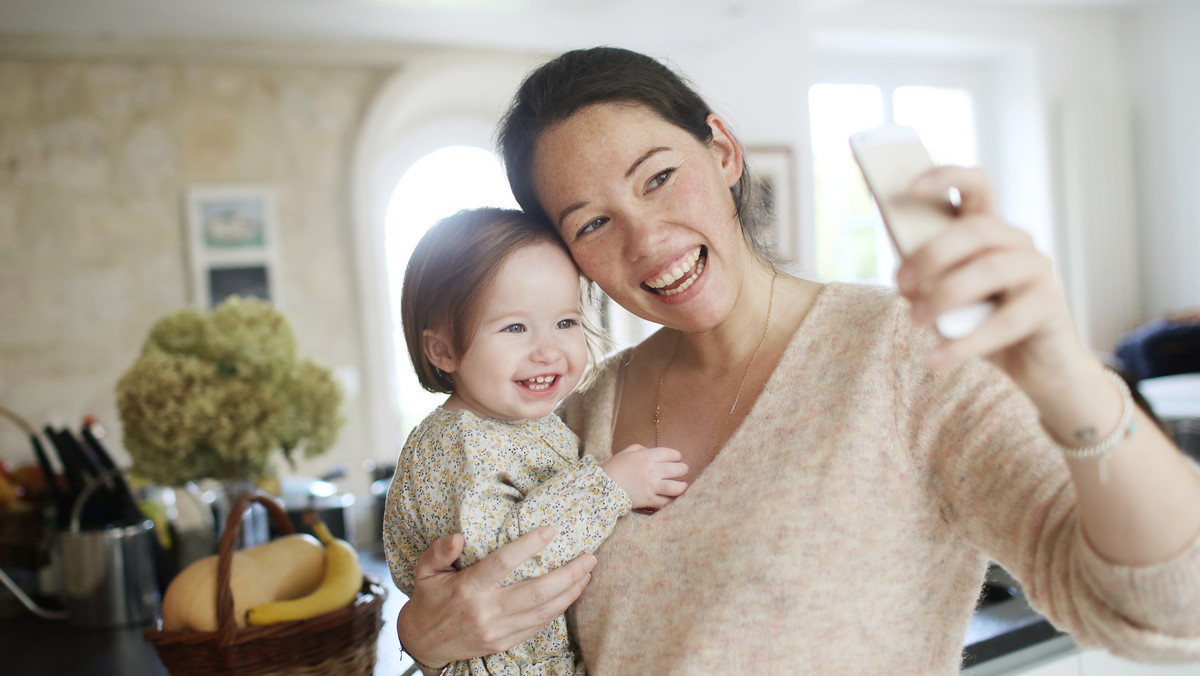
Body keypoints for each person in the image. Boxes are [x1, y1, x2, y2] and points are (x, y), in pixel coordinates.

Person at [395, 48, 1200, 674]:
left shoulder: (903, 354)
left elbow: (1171, 613)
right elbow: (501, 632)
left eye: (661, 177)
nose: (647, 241)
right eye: (593, 224)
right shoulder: (574, 415)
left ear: (724, 152)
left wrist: (1065, 377)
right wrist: (429, 639)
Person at [382, 207, 689, 675]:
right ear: (442, 349)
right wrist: (610, 488)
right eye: (515, 328)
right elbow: (501, 570)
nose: (548, 350)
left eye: (565, 322)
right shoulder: (456, 446)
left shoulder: (523, 422)